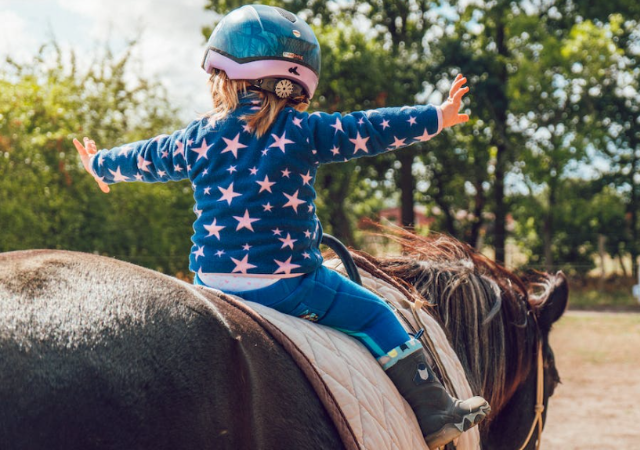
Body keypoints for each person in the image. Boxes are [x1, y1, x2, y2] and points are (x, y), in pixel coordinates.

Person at [74, 4, 489, 447]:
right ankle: (435, 411)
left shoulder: (197, 135)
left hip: (210, 284)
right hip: (288, 285)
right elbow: (370, 128)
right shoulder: (303, 130)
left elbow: (149, 157)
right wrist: (437, 117)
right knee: (375, 313)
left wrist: (100, 165)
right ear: (297, 84)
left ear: (222, 76)